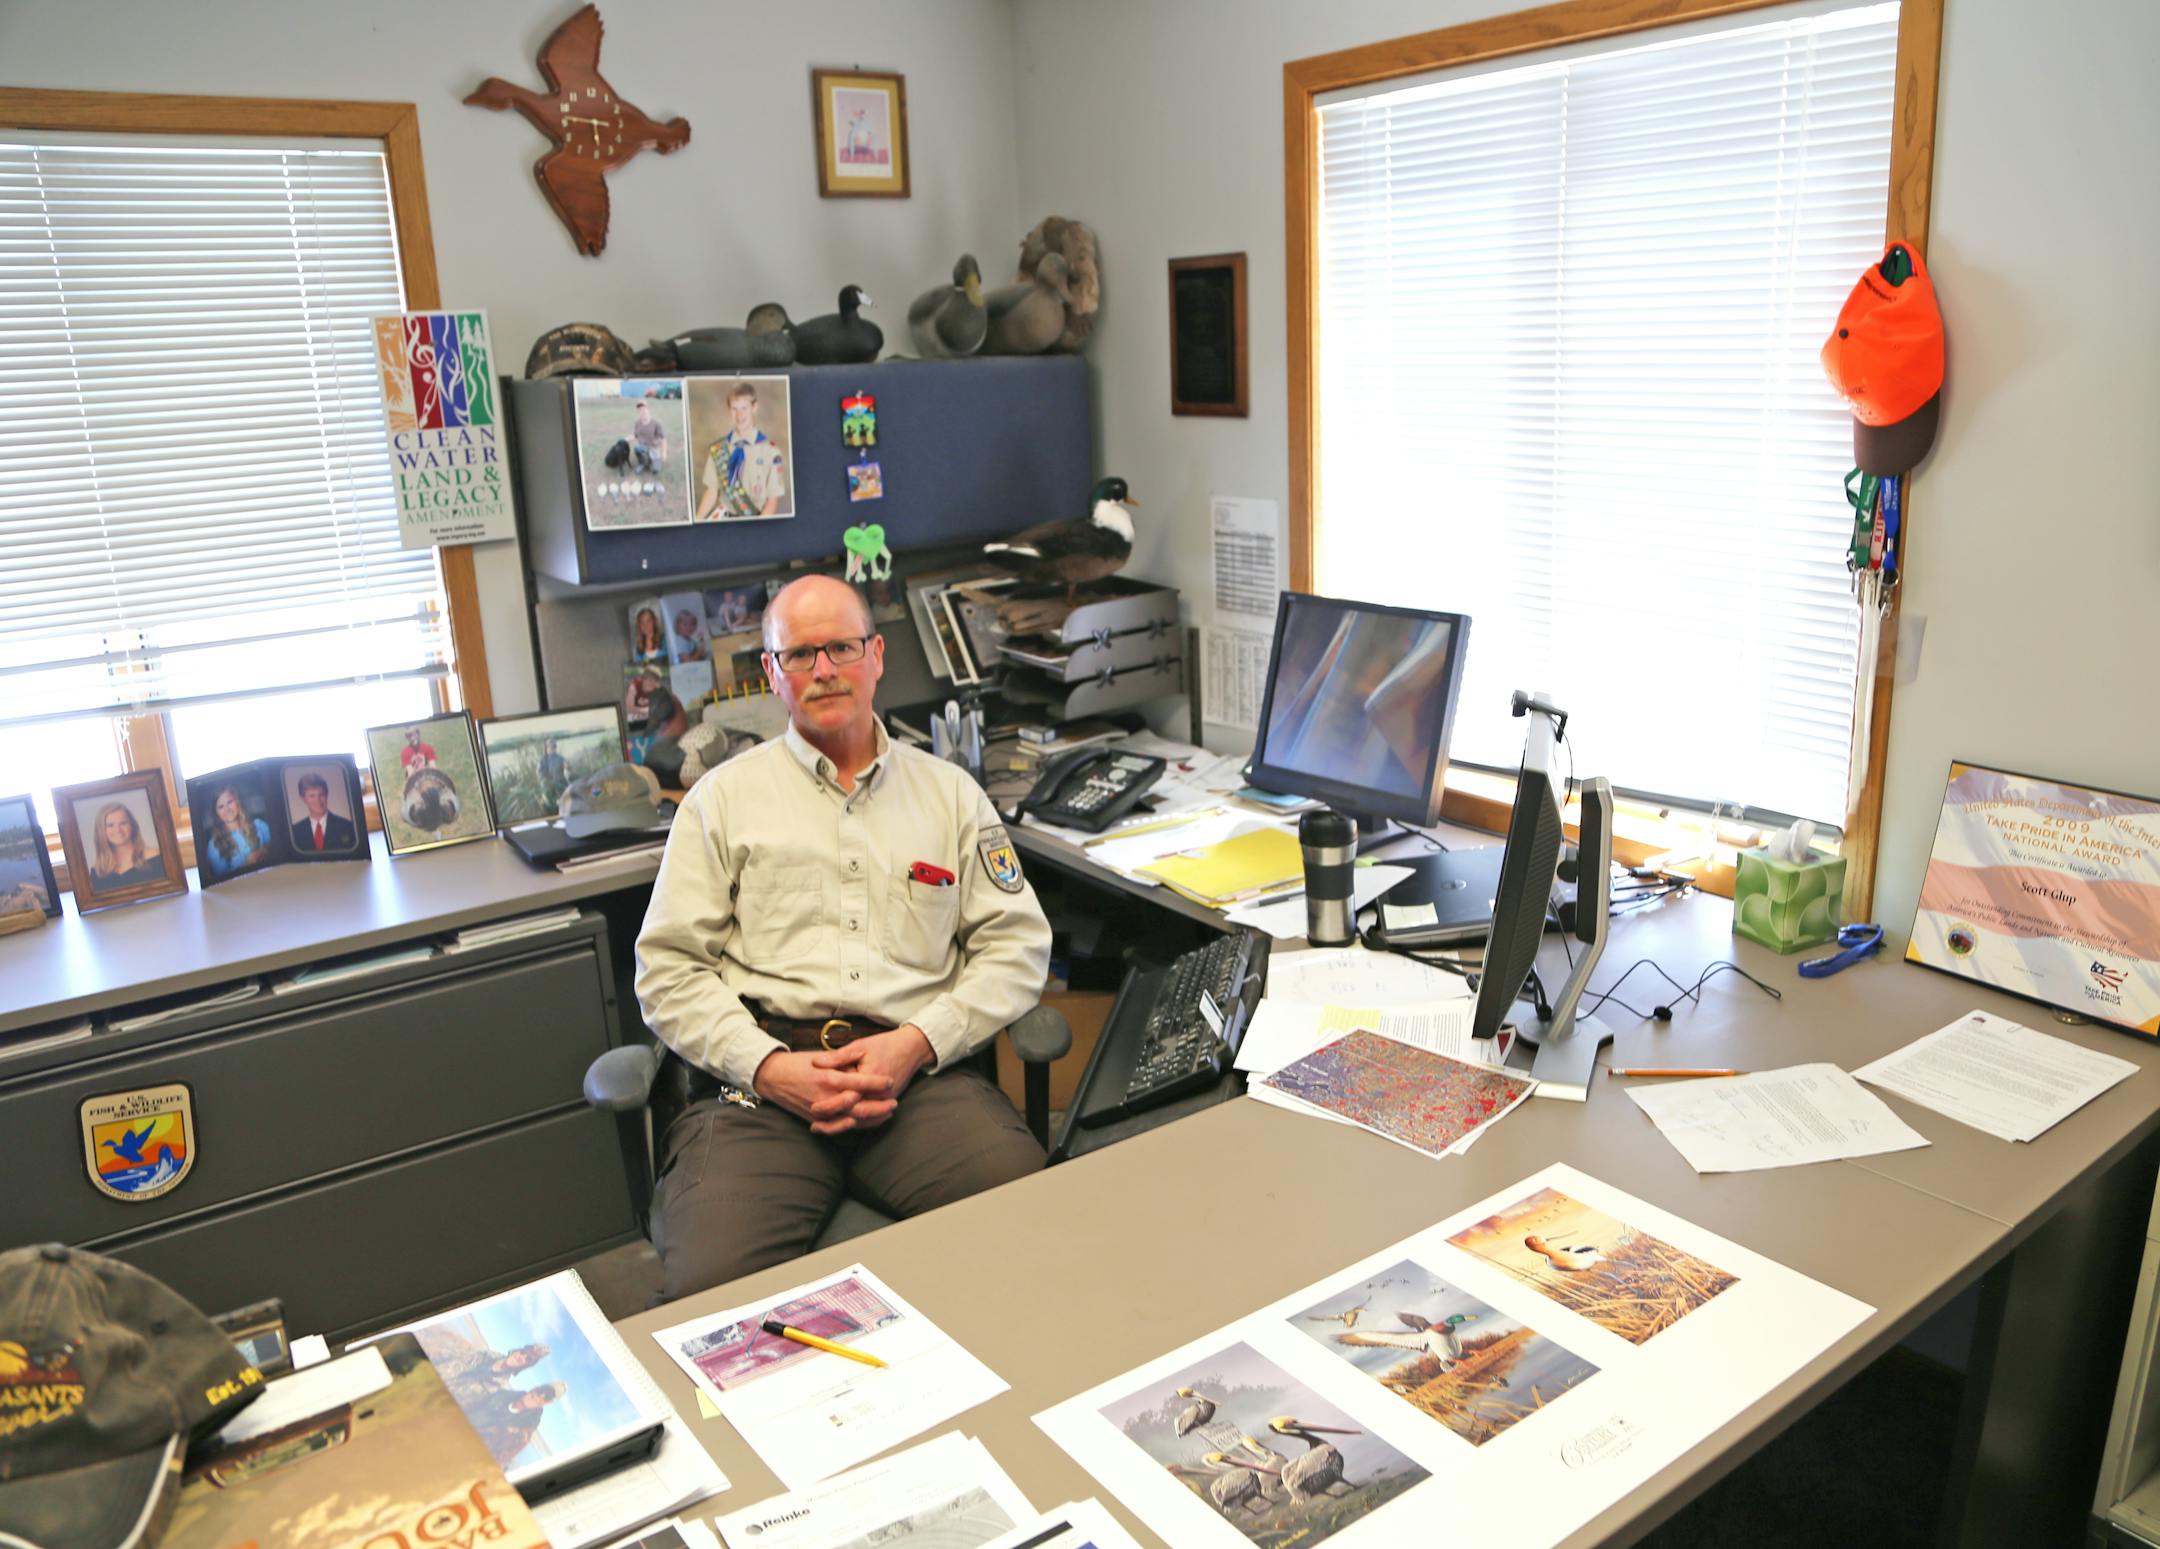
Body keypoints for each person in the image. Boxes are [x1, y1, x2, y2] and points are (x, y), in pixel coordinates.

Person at [635, 575, 1050, 1298]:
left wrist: (918, 1042)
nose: (823, 669)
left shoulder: (951, 796)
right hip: (763, 1092)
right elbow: (667, 970)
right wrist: (765, 1065)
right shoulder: (721, 802)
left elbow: (1017, 948)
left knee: (1037, 1231)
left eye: (841, 647)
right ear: (772, 672)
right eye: (799, 654)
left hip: (916, 1083)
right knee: (711, 1296)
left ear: (877, 655)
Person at [692, 381, 787, 520]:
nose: (739, 415)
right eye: (734, 409)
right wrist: (696, 521)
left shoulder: (770, 452)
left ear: (754, 408)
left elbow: (773, 501)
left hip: (755, 520)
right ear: (728, 410)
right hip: (723, 518)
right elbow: (712, 492)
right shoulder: (719, 449)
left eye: (744, 408)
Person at [460, 1380, 566, 1468]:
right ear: (535, 1388)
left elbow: (494, 1462)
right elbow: (466, 1405)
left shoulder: (521, 1435)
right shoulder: (500, 1394)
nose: (541, 1395)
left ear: (547, 1403)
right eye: (543, 1389)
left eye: (547, 1396)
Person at [86, 802, 163, 890]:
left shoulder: (157, 857)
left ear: (132, 826)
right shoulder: (97, 872)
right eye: (110, 825)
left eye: (123, 823)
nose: (118, 830)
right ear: (101, 831)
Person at [201, 785, 271, 876]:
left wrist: (263, 850)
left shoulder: (259, 824)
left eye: (230, 802)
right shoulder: (214, 846)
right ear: (216, 813)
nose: (227, 809)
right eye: (221, 807)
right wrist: (247, 864)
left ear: (237, 802)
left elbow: (276, 845)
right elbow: (221, 881)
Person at [288, 772, 358, 853]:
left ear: (327, 795)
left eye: (321, 795)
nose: (318, 801)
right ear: (303, 798)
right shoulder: (295, 831)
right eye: (312, 796)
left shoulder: (347, 826)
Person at [631, 398, 667, 474]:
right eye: (640, 409)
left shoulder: (656, 423)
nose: (642, 411)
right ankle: (642, 463)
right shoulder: (637, 422)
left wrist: (664, 453)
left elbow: (663, 439)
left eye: (644, 408)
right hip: (643, 446)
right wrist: (625, 439)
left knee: (655, 470)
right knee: (637, 449)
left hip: (654, 447)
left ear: (648, 409)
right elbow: (635, 435)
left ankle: (653, 460)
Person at [536, 737, 571, 811]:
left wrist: (567, 767)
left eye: (555, 746)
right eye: (552, 746)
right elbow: (539, 774)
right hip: (548, 786)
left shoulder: (560, 758)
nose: (554, 748)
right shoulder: (542, 760)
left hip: (561, 783)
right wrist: (546, 780)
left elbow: (567, 769)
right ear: (547, 747)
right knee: (549, 803)